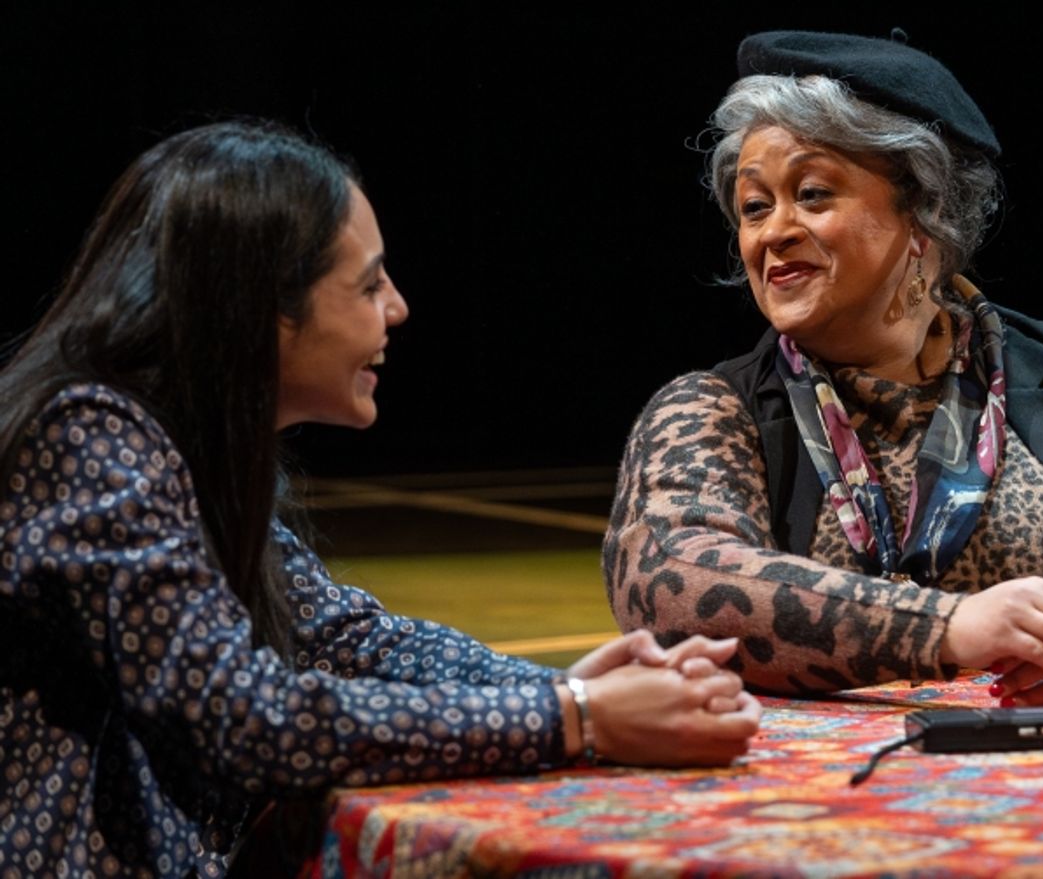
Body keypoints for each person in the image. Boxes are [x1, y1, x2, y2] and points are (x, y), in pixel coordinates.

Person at [0, 120, 761, 877]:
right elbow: (243, 717)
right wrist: (577, 718)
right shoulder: (88, 440)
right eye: (368, 283)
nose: (396, 307)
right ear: (259, 304)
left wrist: (560, 687)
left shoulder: (191, 449)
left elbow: (347, 638)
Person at [604, 29, 1043, 707]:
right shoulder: (709, 409)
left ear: (924, 214)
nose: (773, 231)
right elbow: (670, 576)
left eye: (813, 194)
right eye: (755, 206)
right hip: (831, 809)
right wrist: (954, 628)